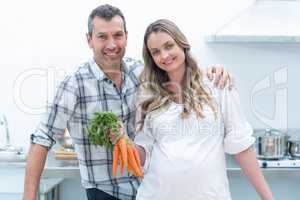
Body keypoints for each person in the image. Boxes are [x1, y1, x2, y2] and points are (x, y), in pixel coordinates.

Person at [22, 5, 233, 200]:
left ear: (126, 37)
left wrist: (211, 72)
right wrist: (29, 197)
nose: (112, 44)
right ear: (89, 40)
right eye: (102, 37)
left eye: (117, 35)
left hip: (147, 189)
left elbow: (177, 72)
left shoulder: (140, 72)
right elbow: (42, 138)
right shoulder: (74, 84)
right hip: (106, 192)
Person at [128, 19, 274, 200]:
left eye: (169, 46)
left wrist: (268, 198)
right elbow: (143, 155)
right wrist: (121, 141)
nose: (164, 55)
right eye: (155, 52)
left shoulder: (217, 83)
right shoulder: (147, 95)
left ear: (182, 44)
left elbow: (242, 147)